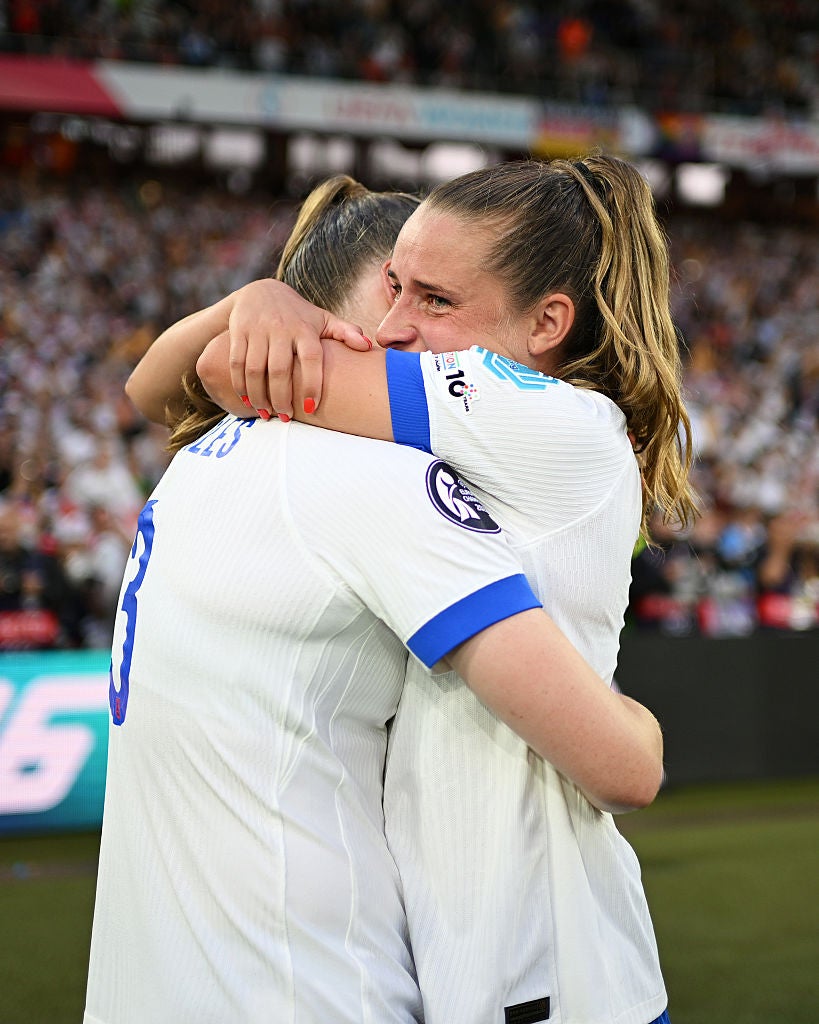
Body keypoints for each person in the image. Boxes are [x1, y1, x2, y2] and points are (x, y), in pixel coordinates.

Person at [86, 175, 664, 1024]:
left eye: (430, 298)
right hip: (410, 965)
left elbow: (179, 382)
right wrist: (260, 301)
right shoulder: (371, 469)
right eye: (393, 293)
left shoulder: (224, 461)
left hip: (549, 966)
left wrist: (260, 303)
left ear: (546, 321)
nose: (394, 333)